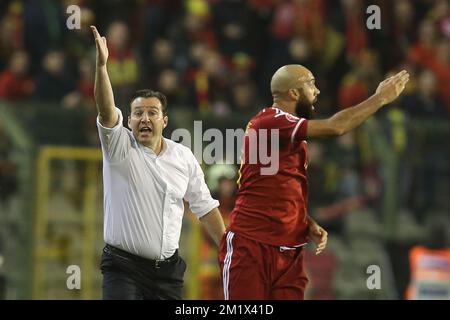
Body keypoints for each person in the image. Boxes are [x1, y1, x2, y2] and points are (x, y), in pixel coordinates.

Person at [219, 64, 410, 300]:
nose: (317, 91)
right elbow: (335, 127)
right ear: (293, 93)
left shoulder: (288, 135)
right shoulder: (270, 121)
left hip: (288, 249)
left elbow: (273, 188)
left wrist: (304, 220)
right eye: (311, 83)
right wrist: (380, 98)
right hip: (252, 245)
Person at [90, 26, 226, 300]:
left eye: (152, 112)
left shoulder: (183, 157)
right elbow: (105, 110)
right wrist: (102, 68)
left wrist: (228, 249)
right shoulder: (119, 147)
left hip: (168, 274)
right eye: (137, 113)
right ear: (128, 121)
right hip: (123, 269)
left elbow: (205, 207)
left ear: (164, 121)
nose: (144, 118)